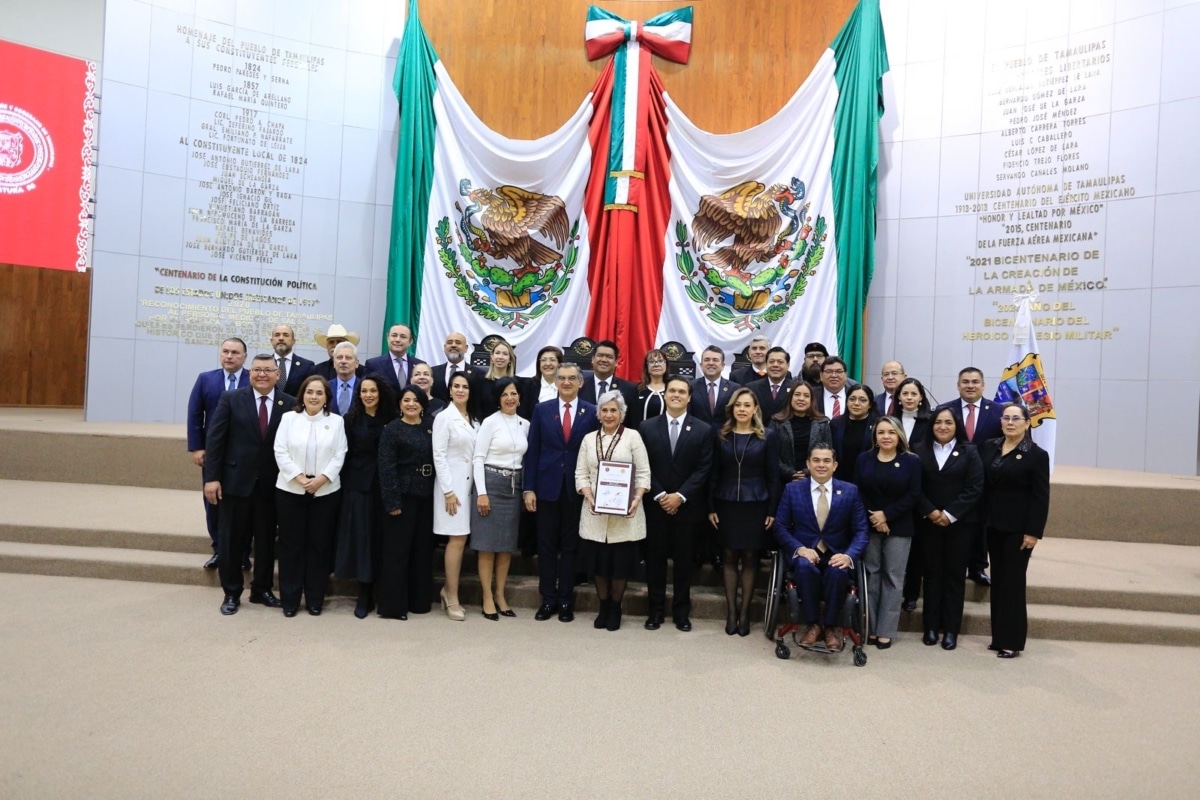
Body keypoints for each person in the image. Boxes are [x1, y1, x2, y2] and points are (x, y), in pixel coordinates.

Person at [202, 353, 292, 614]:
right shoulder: (231, 399)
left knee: (265, 542)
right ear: (250, 373)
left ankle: (262, 589)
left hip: (271, 486)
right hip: (235, 483)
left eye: (268, 370)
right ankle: (231, 592)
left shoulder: (290, 403)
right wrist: (212, 478)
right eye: (257, 370)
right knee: (231, 541)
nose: (262, 374)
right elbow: (215, 441)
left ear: (277, 375)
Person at [772, 444, 869, 651]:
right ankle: (814, 625)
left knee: (838, 571)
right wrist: (799, 549)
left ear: (835, 465)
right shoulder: (792, 490)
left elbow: (861, 530)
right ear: (808, 464)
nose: (821, 465)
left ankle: (831, 627)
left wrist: (848, 556)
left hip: (837, 553)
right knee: (804, 566)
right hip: (805, 552)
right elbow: (780, 527)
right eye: (816, 460)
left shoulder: (850, 491)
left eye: (826, 461)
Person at [523, 362, 599, 622]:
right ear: (555, 382)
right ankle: (548, 599)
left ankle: (565, 599)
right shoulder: (541, 410)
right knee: (545, 546)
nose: (566, 382)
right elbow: (533, 450)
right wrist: (529, 488)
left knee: (570, 547)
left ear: (581, 382)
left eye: (571, 378)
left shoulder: (592, 412)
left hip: (576, 490)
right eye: (562, 378)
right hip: (546, 488)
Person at [575, 390, 652, 631]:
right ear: (598, 414)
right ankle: (604, 606)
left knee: (619, 565)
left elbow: (643, 473)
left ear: (622, 413)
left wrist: (636, 498)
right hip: (595, 512)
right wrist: (589, 496)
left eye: (613, 410)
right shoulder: (589, 439)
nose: (609, 415)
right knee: (598, 565)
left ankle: (616, 608)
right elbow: (580, 473)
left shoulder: (632, 437)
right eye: (604, 410)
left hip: (625, 513)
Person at [707, 387, 781, 637]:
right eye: (738, 405)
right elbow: (714, 473)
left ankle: (745, 613)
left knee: (750, 557)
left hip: (756, 503)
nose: (742, 409)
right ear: (732, 408)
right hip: (726, 502)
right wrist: (710, 506)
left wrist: (772, 509)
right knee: (729, 556)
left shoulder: (768, 436)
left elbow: (773, 476)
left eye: (747, 405)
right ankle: (731, 612)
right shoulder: (721, 435)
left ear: (755, 409)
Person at [978, 403, 1050, 659]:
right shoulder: (990, 446)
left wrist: (1033, 532)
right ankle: (998, 637)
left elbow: (1040, 497)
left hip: (1018, 530)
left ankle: (1012, 641)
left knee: (1013, 583)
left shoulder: (1036, 455)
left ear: (1027, 423)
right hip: (991, 525)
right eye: (1006, 418)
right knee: (998, 581)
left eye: (1016, 418)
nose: (1010, 422)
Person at [641, 376, 713, 632]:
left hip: (687, 508)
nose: (676, 395)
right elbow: (642, 465)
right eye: (672, 390)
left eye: (682, 392)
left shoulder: (703, 430)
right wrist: (661, 495)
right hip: (656, 506)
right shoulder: (647, 427)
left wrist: (680, 496)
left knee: (684, 563)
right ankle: (655, 611)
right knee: (655, 562)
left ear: (689, 397)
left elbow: (704, 469)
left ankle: (682, 613)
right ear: (665, 394)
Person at [273, 375, 348, 616]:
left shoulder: (336, 422)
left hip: (325, 492)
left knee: (319, 546)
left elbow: (339, 454)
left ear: (326, 398)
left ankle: (315, 599)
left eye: (319, 393)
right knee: (291, 546)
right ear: (302, 395)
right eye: (309, 392)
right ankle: (290, 600)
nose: (314, 397)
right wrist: (300, 478)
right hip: (290, 490)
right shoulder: (289, 419)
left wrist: (321, 479)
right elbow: (280, 451)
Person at [913, 407, 984, 650]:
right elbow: (914, 486)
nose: (943, 427)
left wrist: (950, 514)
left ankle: (951, 630)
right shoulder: (919, 450)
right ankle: (931, 628)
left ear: (957, 426)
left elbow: (975, 487)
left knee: (955, 576)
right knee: (932, 574)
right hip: (928, 522)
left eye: (949, 423)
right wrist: (931, 511)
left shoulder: (970, 451)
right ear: (931, 425)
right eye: (938, 422)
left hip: (961, 524)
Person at [855, 416, 921, 649]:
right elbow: (858, 491)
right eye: (881, 432)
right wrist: (876, 518)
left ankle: (886, 630)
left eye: (891, 432)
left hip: (899, 527)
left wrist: (887, 515)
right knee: (871, 575)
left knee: (893, 577)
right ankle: (871, 627)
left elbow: (913, 494)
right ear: (875, 436)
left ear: (899, 435)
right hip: (870, 524)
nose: (886, 436)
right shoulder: (863, 459)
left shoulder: (911, 461)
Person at [334, 375, 397, 619]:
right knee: (362, 541)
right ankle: (364, 594)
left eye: (373, 391)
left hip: (386, 488)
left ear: (381, 393)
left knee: (382, 540)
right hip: (358, 487)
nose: (368, 395)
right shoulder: (350, 420)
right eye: (363, 391)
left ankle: (383, 593)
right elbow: (345, 454)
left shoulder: (392, 418)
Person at [377, 385, 437, 620]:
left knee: (422, 550)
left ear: (423, 404)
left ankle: (419, 602)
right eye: (406, 400)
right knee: (397, 552)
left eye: (416, 400)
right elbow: (386, 468)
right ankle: (393, 607)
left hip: (427, 496)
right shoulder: (392, 429)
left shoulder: (431, 426)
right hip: (402, 497)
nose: (411, 404)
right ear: (400, 404)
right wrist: (392, 502)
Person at [188, 337, 249, 568]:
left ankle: (242, 553)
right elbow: (195, 414)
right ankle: (219, 550)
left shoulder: (253, 379)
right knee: (213, 500)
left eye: (235, 352)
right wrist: (197, 447)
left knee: (242, 504)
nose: (229, 356)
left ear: (244, 357)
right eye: (225, 351)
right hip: (213, 453)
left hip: (244, 453)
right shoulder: (206, 379)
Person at [471, 377, 528, 619]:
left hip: (513, 487)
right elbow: (478, 458)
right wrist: (482, 493)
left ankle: (500, 594)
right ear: (498, 398)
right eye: (504, 394)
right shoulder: (490, 422)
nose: (509, 398)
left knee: (506, 546)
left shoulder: (525, 424)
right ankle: (486, 596)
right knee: (487, 546)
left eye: (513, 393)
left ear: (519, 397)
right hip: (490, 485)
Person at [432, 371, 480, 621]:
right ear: (450, 390)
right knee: (457, 539)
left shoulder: (474, 419)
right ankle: (451, 596)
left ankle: (448, 590)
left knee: (462, 539)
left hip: (470, 487)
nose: (461, 390)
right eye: (456, 386)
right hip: (452, 489)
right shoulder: (444, 417)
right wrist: (448, 492)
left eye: (465, 386)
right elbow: (438, 456)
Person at [769, 382, 832, 485]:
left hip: (814, 479)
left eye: (806, 396)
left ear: (811, 400)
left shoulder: (822, 423)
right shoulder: (777, 422)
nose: (801, 399)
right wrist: (791, 473)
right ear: (790, 397)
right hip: (782, 480)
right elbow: (771, 454)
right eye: (797, 394)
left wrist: (806, 472)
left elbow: (828, 452)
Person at [829, 384, 878, 483]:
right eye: (852, 399)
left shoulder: (877, 425)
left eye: (862, 400)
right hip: (840, 478)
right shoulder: (836, 423)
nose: (856, 403)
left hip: (869, 479)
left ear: (870, 405)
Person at [364, 323, 426, 395]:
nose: (397, 340)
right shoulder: (373, 365)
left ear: (410, 341)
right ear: (388, 338)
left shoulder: (420, 365)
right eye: (394, 335)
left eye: (403, 337)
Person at [689, 345, 740, 426]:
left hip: (725, 432)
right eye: (707, 360)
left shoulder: (734, 388)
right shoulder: (691, 386)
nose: (711, 363)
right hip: (698, 432)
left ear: (723, 366)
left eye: (715, 360)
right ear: (701, 365)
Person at [579, 339, 637, 409]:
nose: (604, 360)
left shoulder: (629, 389)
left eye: (609, 357)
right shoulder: (579, 386)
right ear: (593, 359)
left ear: (616, 362)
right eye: (600, 355)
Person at [431, 331, 485, 403]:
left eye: (458, 343)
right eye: (450, 342)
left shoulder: (478, 374)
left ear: (466, 348)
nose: (453, 345)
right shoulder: (432, 372)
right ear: (444, 347)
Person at [746, 346, 793, 418]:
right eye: (771, 362)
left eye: (780, 362)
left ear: (788, 365)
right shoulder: (751, 388)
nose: (775, 365)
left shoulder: (795, 388)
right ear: (766, 364)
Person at [271, 324, 315, 397]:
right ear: (272, 341)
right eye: (277, 335)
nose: (281, 338)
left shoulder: (307, 366)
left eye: (286, 335)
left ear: (293, 341)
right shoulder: (263, 365)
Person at [629, 348, 669, 429]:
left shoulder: (672, 390)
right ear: (646, 367)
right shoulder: (637, 390)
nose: (656, 364)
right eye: (651, 361)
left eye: (660, 361)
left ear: (666, 365)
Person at [521, 345, 562, 420]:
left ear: (559, 363)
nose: (548, 363)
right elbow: (523, 414)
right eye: (543, 360)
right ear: (538, 364)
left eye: (552, 360)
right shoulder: (528, 385)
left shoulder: (565, 385)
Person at [477, 338, 516, 416]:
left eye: (505, 354)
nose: (500, 357)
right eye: (497, 353)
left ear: (510, 359)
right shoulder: (480, 381)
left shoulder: (516, 384)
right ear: (492, 357)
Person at [894, 376, 933, 450]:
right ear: (899, 396)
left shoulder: (929, 421)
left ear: (921, 397)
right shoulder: (891, 420)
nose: (909, 397)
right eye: (905, 393)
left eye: (914, 394)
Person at [329, 341, 360, 416]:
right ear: (334, 363)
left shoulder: (364, 387)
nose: (343, 361)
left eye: (348, 358)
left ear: (356, 363)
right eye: (339, 357)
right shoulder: (326, 387)